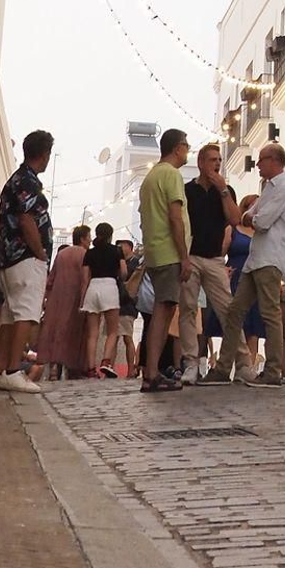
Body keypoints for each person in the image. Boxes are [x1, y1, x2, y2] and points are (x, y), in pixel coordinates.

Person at [224, 142, 285, 382]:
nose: (257, 164)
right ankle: (224, 367)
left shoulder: (284, 188)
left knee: (269, 314)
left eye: (262, 159)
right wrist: (250, 216)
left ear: (274, 160)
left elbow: (261, 221)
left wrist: (249, 216)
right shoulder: (268, 188)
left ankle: (274, 369)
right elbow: (249, 216)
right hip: (256, 259)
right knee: (235, 311)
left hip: (270, 258)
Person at [0, 130, 54, 387]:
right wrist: (39, 251)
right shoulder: (27, 182)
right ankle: (14, 369)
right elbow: (27, 218)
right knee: (26, 314)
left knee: (9, 315)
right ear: (44, 154)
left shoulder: (16, 180)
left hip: (10, 257)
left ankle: (0, 369)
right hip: (25, 256)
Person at [181, 141, 244, 385]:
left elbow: (235, 219)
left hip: (216, 259)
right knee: (188, 309)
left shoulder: (225, 190)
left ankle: (242, 362)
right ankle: (190, 363)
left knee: (228, 309)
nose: (217, 164)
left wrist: (224, 190)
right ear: (200, 163)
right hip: (192, 255)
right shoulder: (188, 191)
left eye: (219, 160)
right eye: (212, 160)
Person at [138, 127, 192, 394]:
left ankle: (151, 370)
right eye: (186, 145)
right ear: (177, 147)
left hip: (155, 251)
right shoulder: (171, 175)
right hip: (169, 252)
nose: (188, 150)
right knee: (163, 311)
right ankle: (152, 372)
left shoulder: (151, 177)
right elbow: (175, 216)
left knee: (162, 311)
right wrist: (184, 256)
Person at [37, 225, 92, 379]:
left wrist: (46, 297)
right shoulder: (85, 254)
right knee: (72, 332)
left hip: (57, 298)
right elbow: (85, 279)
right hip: (75, 298)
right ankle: (72, 368)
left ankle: (54, 367)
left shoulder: (62, 254)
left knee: (56, 331)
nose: (90, 240)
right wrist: (83, 299)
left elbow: (51, 277)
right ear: (82, 238)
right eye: (89, 237)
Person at [223, 195, 265, 377]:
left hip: (255, 276)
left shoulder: (261, 231)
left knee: (254, 323)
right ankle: (236, 362)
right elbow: (222, 251)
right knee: (237, 320)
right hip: (235, 275)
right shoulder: (233, 229)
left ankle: (251, 366)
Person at [81, 222, 125, 378]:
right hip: (109, 286)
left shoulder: (89, 253)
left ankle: (91, 369)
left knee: (92, 333)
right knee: (112, 330)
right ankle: (106, 361)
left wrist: (82, 299)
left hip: (93, 288)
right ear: (111, 235)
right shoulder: (117, 251)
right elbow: (124, 272)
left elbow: (85, 279)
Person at [114, 236, 141, 377]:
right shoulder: (121, 262)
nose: (119, 249)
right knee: (115, 337)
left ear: (129, 247)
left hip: (127, 305)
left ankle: (131, 369)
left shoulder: (134, 263)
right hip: (118, 303)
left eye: (121, 246)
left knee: (127, 337)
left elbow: (127, 280)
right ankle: (111, 367)